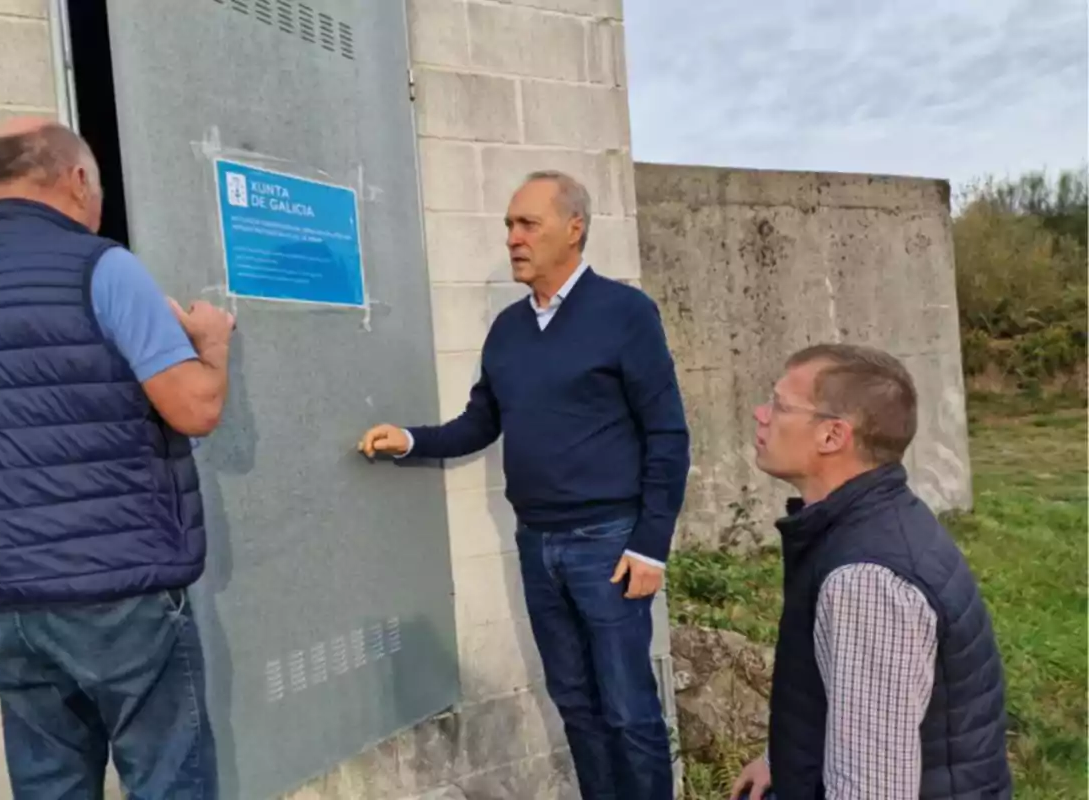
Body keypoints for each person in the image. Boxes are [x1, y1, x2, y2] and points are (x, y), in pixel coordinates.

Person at [0, 118, 234, 799]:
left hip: (0, 602)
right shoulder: (102, 267)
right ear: (79, 178)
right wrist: (212, 343)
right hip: (115, 593)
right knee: (170, 778)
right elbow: (194, 407)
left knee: (50, 786)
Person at [358, 171, 691, 799]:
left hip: (609, 547)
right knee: (576, 705)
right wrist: (410, 440)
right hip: (538, 545)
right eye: (509, 225)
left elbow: (668, 435)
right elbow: (480, 422)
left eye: (527, 224)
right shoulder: (509, 329)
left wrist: (651, 545)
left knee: (628, 710)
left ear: (575, 229)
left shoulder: (625, 314)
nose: (512, 238)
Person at [729, 344, 1012, 800]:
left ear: (832, 436)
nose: (762, 414)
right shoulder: (864, 521)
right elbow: (848, 700)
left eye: (780, 404)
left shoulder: (867, 579)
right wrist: (779, 760)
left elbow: (872, 789)